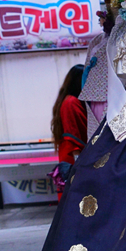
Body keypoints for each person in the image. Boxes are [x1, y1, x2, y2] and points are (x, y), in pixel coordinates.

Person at [49, 65, 87, 197]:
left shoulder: (68, 100)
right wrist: (78, 165)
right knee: (74, 198)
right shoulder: (71, 102)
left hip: (70, 153)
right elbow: (73, 134)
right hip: (73, 155)